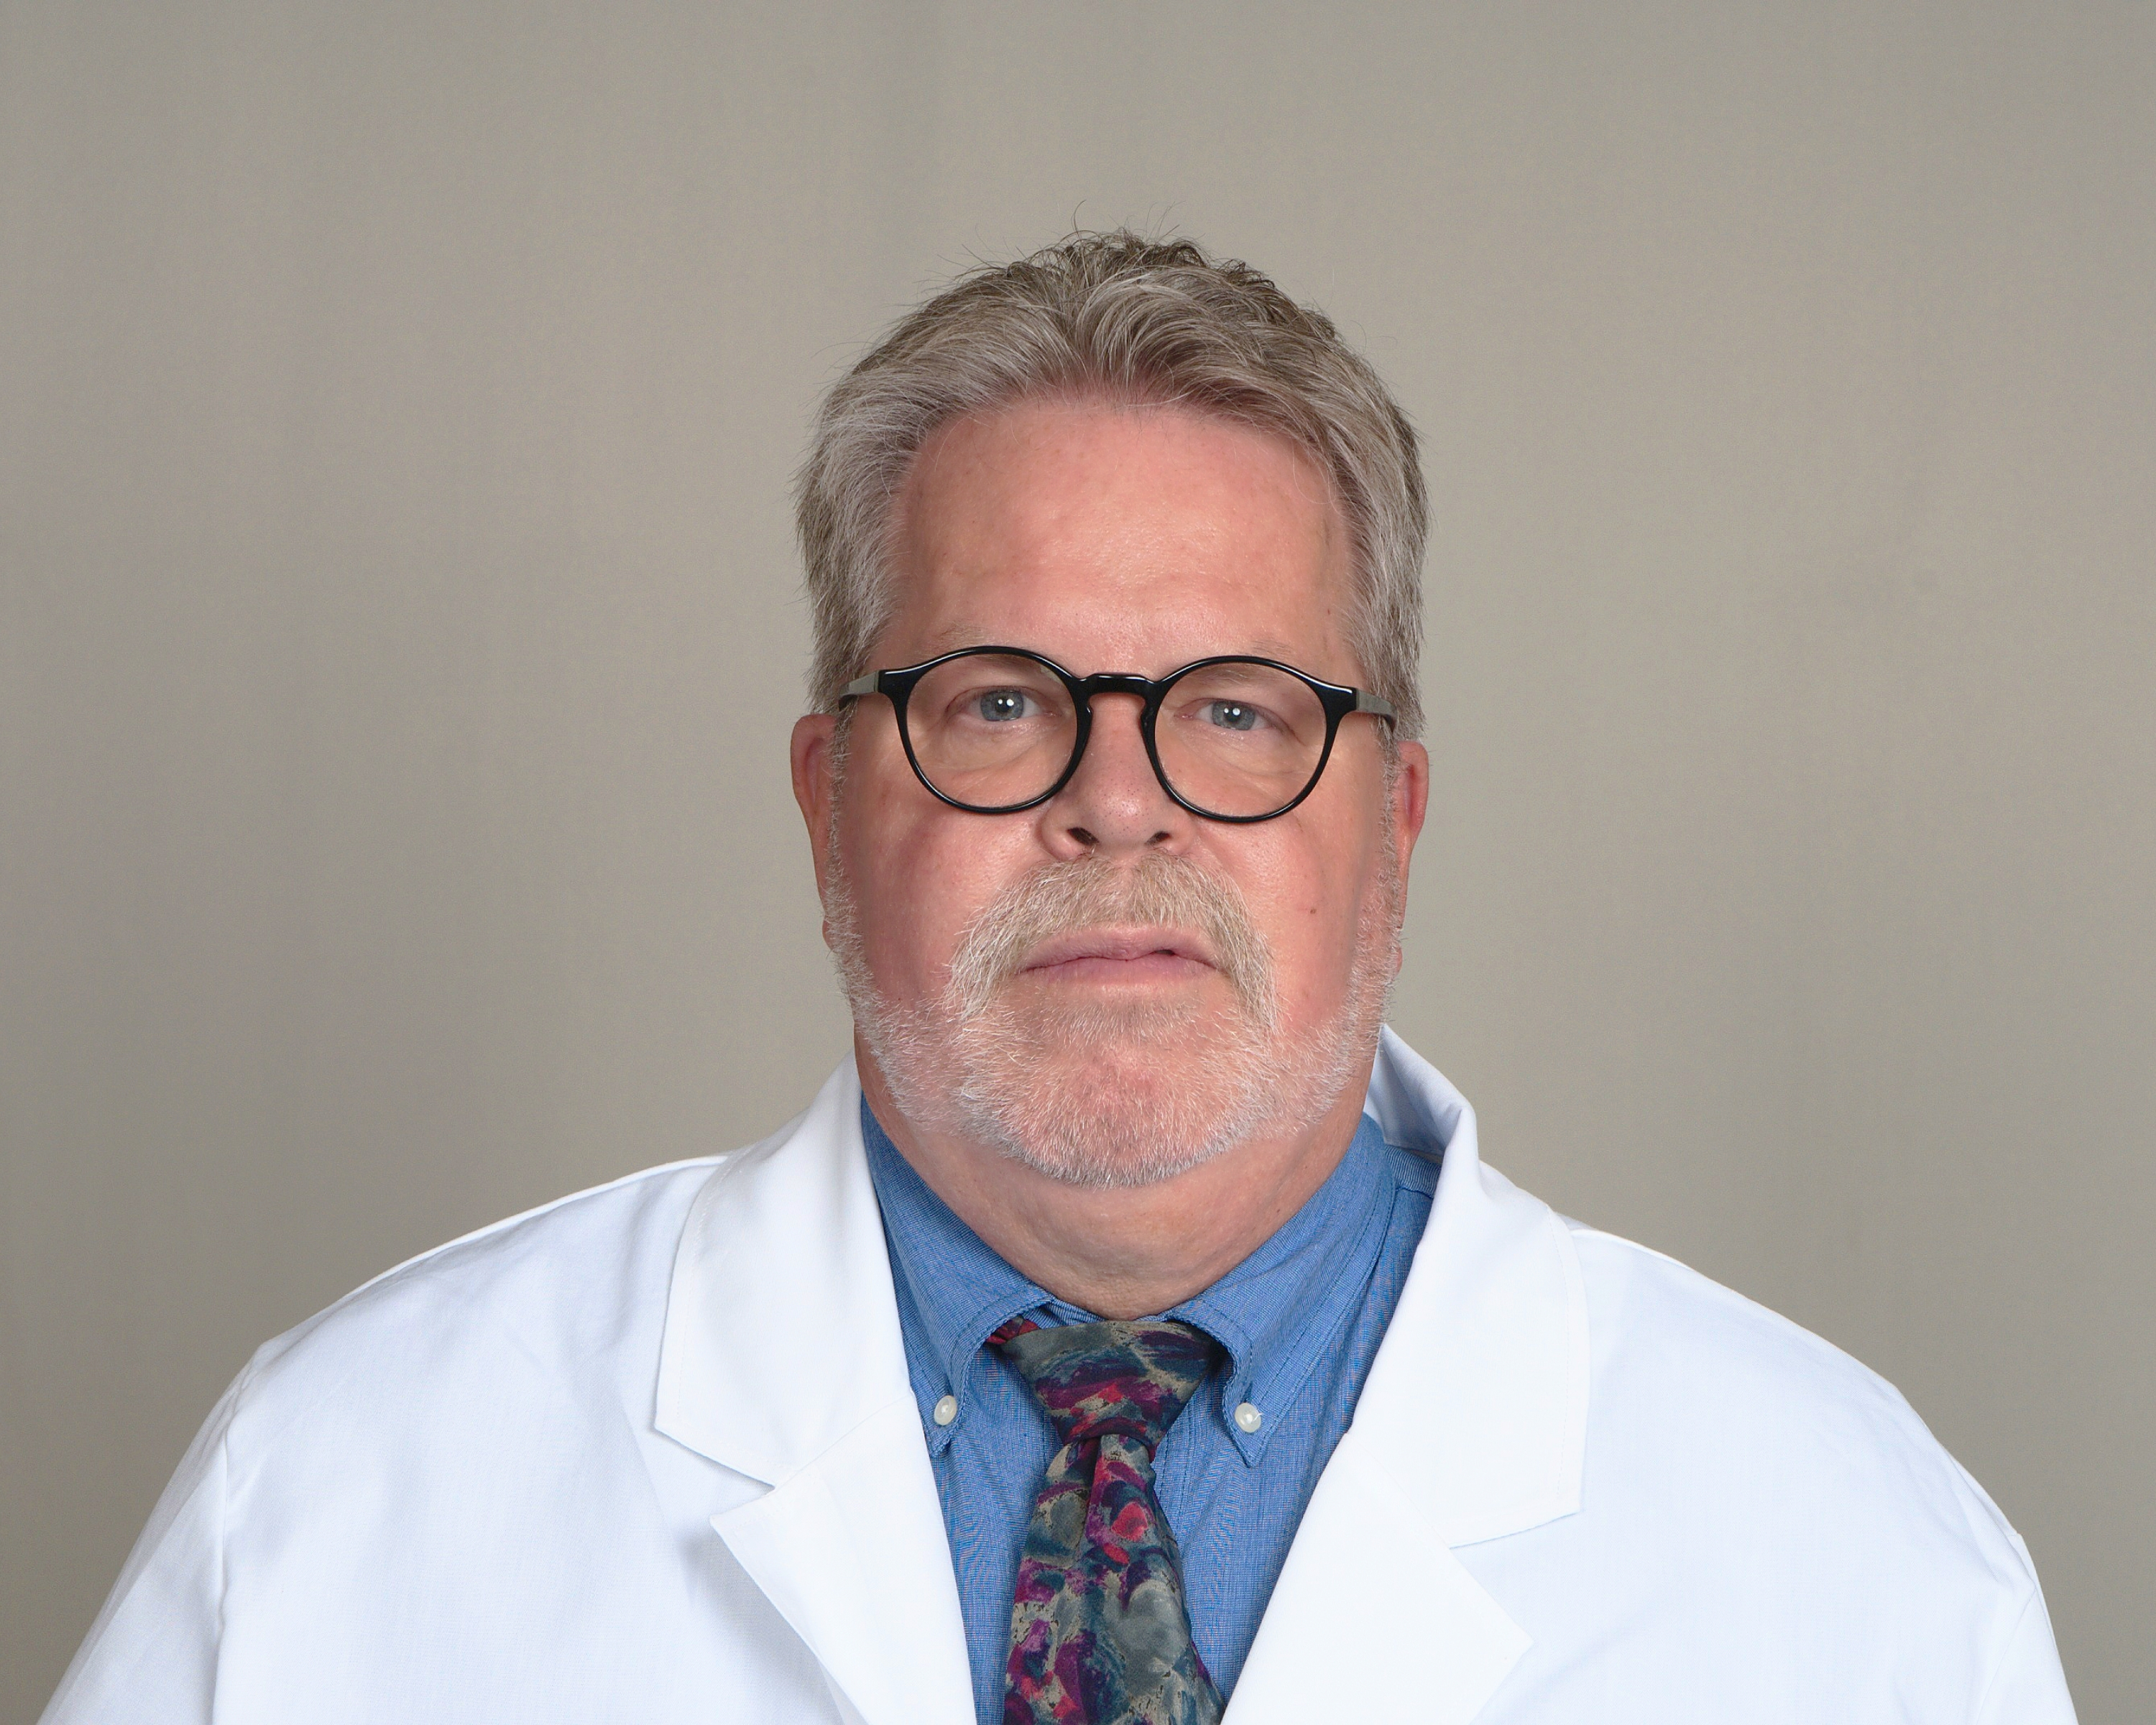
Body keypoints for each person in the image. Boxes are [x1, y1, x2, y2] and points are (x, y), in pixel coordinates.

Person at [44, 233, 2074, 1725]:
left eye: (1237, 710)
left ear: (1400, 808)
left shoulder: (1852, 1557)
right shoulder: (347, 1484)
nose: (1120, 806)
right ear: (832, 796)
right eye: (1002, 704)